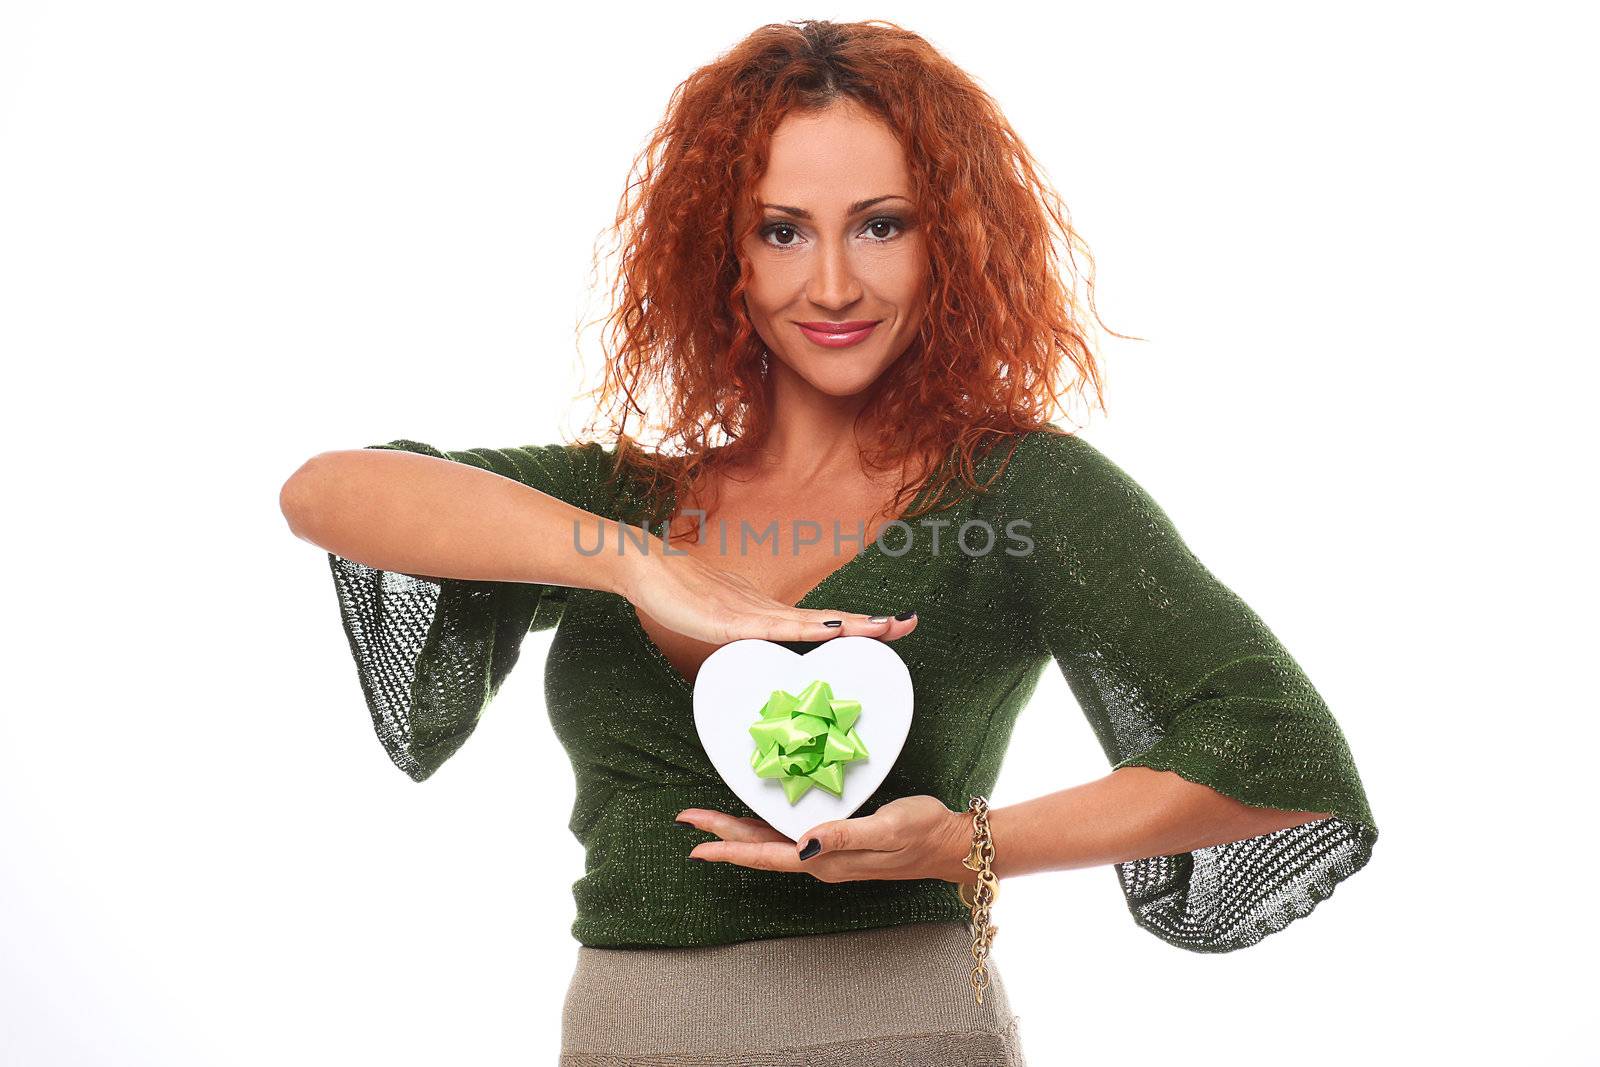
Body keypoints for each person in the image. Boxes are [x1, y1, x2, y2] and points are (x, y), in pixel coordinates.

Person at [279, 18, 1378, 1066]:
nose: (835, 284)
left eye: (881, 224)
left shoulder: (1022, 491)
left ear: (950, 240)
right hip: (620, 1034)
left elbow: (1282, 756)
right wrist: (640, 560)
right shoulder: (618, 499)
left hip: (902, 1032)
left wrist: (964, 845)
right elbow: (328, 489)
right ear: (724, 253)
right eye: (781, 229)